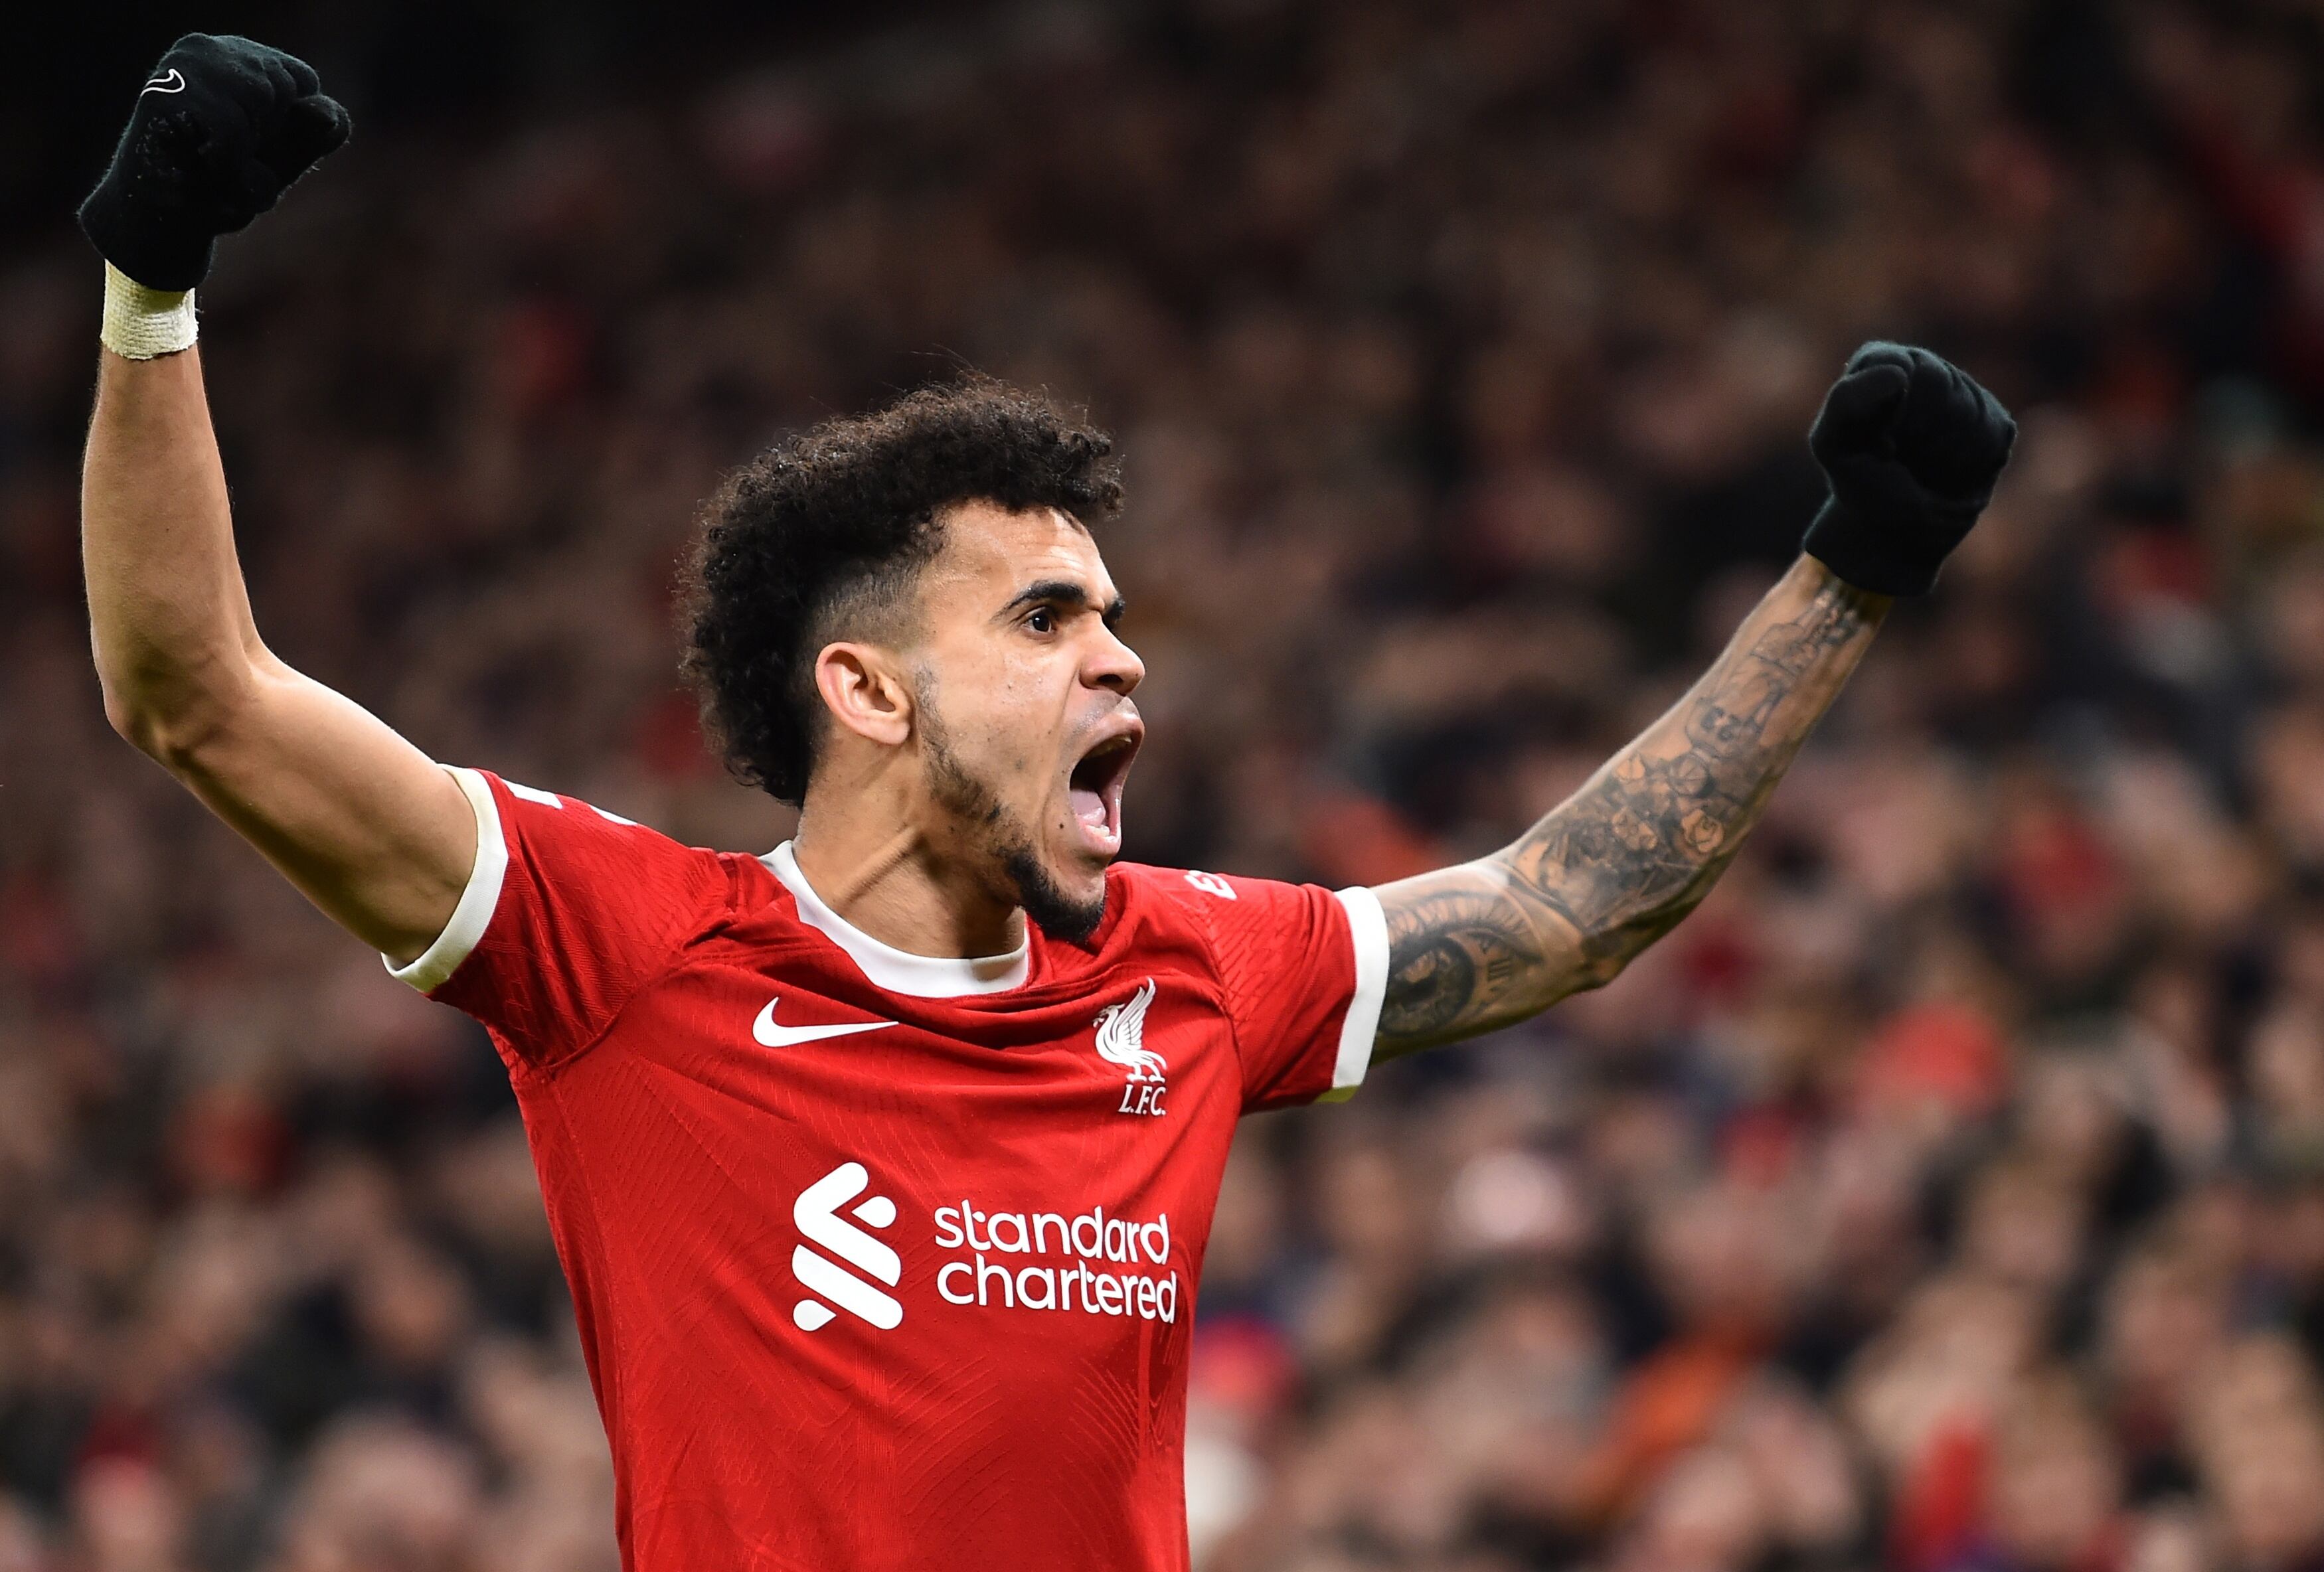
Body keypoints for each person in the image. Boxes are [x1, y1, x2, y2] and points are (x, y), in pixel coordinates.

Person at [72, 34, 2017, 1572]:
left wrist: (1850, 571)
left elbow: (1571, 903)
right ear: (866, 688)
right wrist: (152, 279)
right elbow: (195, 695)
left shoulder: (1190, 976)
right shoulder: (625, 956)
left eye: (1117, 616)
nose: (1124, 662)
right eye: (1046, 616)